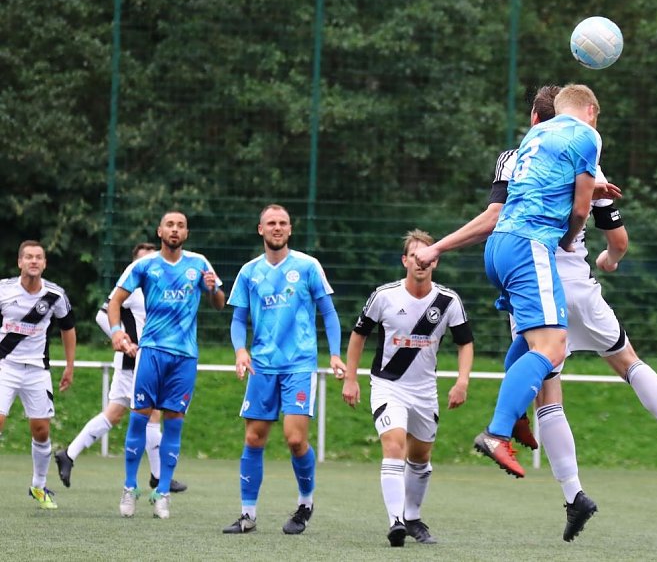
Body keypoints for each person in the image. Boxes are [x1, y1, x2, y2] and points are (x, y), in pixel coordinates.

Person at [415, 84, 657, 541]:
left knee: (546, 387)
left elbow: (494, 214)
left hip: (514, 264)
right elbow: (615, 239)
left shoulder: (516, 155)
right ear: (585, 115)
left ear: (536, 121)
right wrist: (605, 256)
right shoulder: (586, 151)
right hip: (559, 272)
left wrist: (438, 244)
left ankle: (572, 492)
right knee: (624, 359)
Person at [472, 83, 601, 484]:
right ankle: (496, 432)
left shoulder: (536, 135)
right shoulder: (587, 136)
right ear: (591, 111)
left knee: (531, 340)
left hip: (500, 246)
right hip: (531, 245)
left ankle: (513, 419)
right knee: (553, 346)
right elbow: (581, 210)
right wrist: (567, 237)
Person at [341, 229, 473, 547]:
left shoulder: (447, 301)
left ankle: (412, 516)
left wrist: (462, 380)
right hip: (388, 386)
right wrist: (350, 377)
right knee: (394, 445)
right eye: (414, 256)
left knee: (420, 457)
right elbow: (359, 336)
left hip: (425, 390)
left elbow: (465, 343)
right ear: (405, 261)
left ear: (435, 261)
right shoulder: (384, 296)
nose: (421, 262)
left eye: (427, 256)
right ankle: (395, 522)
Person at [222, 204, 346, 536]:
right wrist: (240, 350)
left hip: (299, 365)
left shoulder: (308, 266)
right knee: (253, 437)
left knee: (294, 440)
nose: (277, 228)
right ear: (260, 229)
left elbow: (329, 313)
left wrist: (335, 355)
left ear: (290, 230)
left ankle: (305, 503)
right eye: (271, 223)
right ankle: (247, 515)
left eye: (283, 223)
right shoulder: (249, 272)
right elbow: (238, 319)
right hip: (262, 366)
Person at [109, 211, 225, 519]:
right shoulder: (144, 265)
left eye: (181, 226)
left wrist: (212, 288)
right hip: (152, 352)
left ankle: (162, 493)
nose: (175, 230)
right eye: (170, 225)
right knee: (139, 419)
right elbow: (114, 302)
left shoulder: (199, 264)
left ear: (186, 233)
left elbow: (220, 303)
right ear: (160, 231)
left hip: (185, 357)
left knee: (174, 422)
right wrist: (117, 332)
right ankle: (129, 487)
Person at [54, 242, 187, 494]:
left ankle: (68, 454)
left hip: (150, 360)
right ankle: (159, 477)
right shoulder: (132, 290)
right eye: (142, 260)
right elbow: (102, 315)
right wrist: (123, 340)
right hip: (134, 362)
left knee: (115, 414)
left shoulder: (160, 288)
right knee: (151, 414)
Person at [0, 240, 76, 509]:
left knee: (41, 431)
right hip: (4, 367)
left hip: (37, 371)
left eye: (38, 257)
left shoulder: (55, 295)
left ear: (44, 263)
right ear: (20, 262)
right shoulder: (3, 290)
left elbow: (68, 328)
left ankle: (39, 486)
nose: (33, 261)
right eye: (28, 257)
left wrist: (69, 365)